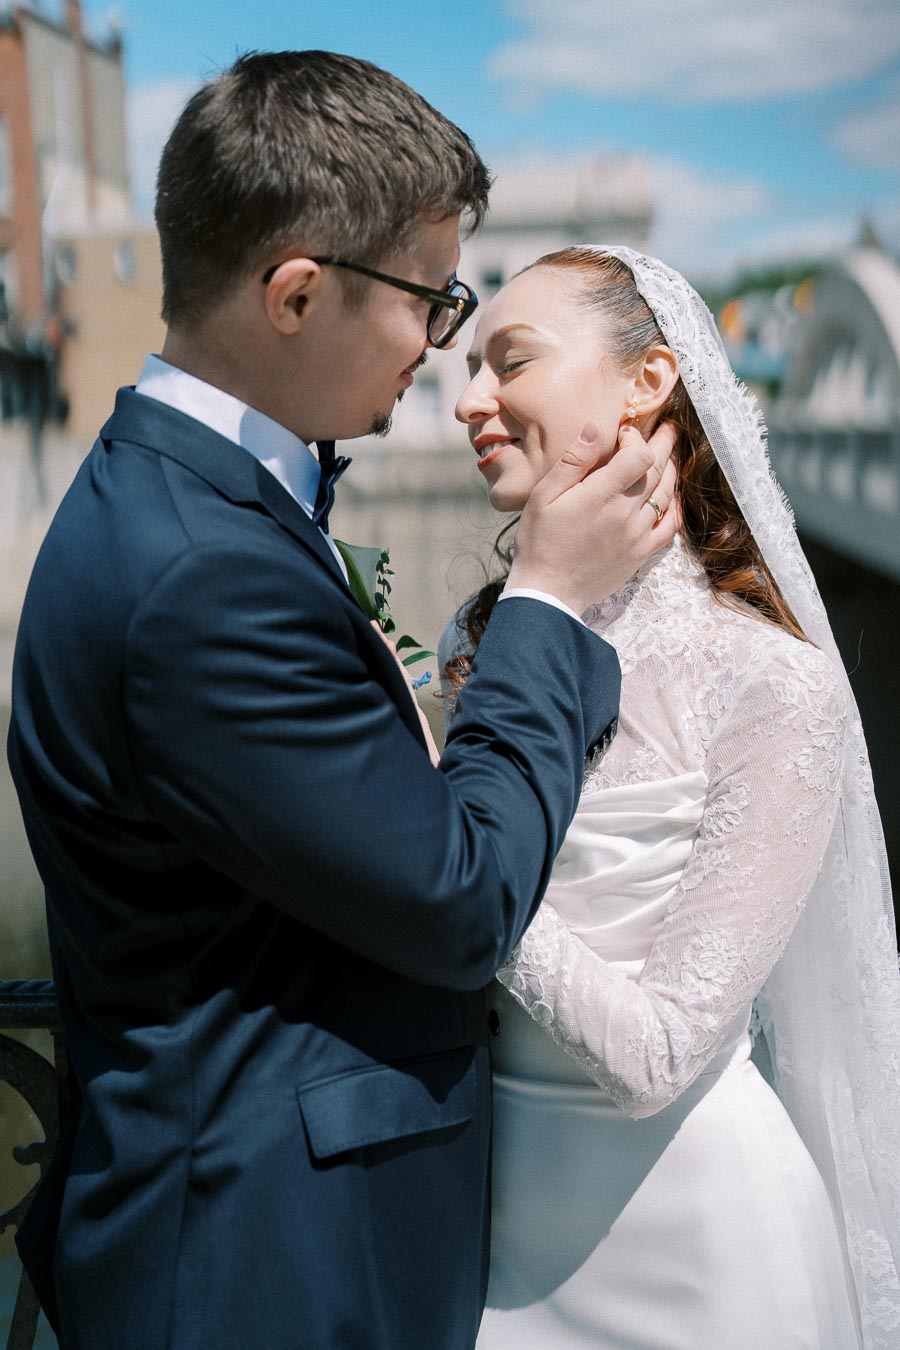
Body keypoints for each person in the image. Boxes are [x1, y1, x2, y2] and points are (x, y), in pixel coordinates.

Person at [6, 55, 679, 1350]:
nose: (440, 352)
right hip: (263, 1268)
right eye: (432, 301)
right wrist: (544, 597)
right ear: (299, 293)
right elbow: (463, 896)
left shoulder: (193, 502)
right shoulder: (202, 575)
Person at [443, 246, 900, 1349]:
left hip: (701, 1255)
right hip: (486, 1230)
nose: (467, 402)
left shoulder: (773, 682)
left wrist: (440, 857)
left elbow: (655, 1058)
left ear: (648, 382)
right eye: (466, 367)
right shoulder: (476, 641)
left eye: (510, 360)